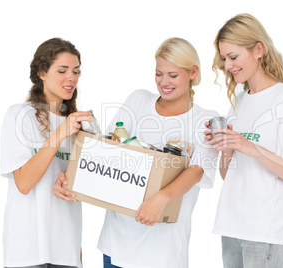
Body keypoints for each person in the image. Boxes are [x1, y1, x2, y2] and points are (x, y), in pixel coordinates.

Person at [53, 37, 219, 268]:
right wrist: (69, 177)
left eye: (173, 75)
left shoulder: (205, 119)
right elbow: (105, 149)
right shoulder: (139, 100)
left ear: (192, 73)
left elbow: (197, 171)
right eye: (159, 74)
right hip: (118, 241)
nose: (164, 82)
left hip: (163, 251)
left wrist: (160, 199)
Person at [204, 13, 283, 268]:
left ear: (258, 50)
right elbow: (226, 175)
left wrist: (248, 146)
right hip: (231, 226)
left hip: (265, 231)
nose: (227, 66)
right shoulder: (239, 101)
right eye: (223, 59)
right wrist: (225, 146)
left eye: (233, 57)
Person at [0, 38, 91, 268]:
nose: (71, 78)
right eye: (62, 71)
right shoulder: (20, 116)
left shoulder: (81, 125)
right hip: (27, 253)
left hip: (67, 253)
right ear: (42, 72)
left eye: (76, 71)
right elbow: (24, 184)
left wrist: (77, 254)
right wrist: (59, 134)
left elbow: (85, 189)